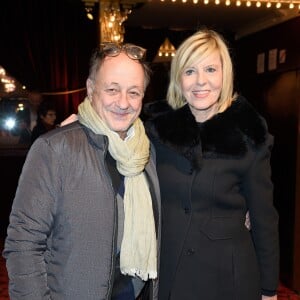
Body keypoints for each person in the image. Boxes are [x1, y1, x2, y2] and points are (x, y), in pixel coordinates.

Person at [3, 43, 161, 300]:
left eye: (134, 92)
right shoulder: (55, 149)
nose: (123, 102)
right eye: (112, 89)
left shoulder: (146, 151)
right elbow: (23, 245)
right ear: (90, 89)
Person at [144, 29, 279, 300]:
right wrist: (81, 125)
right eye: (190, 71)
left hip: (229, 278)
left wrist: (269, 290)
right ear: (178, 78)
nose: (200, 82)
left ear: (224, 75)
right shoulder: (155, 129)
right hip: (170, 272)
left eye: (210, 69)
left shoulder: (249, 134)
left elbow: (264, 218)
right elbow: (113, 132)